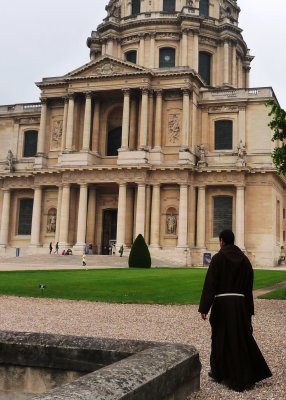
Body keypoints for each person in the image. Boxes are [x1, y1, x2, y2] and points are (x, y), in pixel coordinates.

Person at [198, 229, 272, 392]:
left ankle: (219, 372)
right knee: (241, 337)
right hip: (240, 304)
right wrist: (249, 309)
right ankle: (246, 372)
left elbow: (211, 283)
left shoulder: (218, 258)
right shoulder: (244, 260)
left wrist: (204, 307)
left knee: (220, 337)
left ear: (222, 241)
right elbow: (248, 287)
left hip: (222, 303)